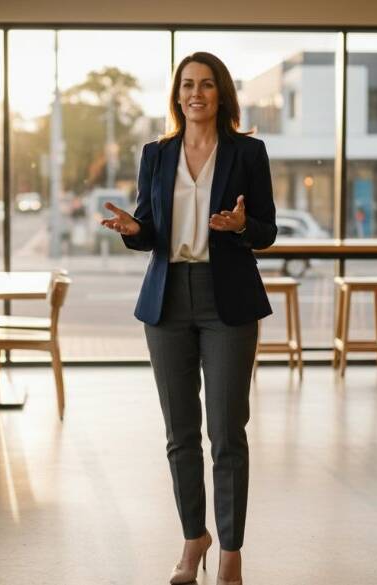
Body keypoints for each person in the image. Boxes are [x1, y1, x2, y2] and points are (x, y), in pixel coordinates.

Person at [99, 52, 277, 585]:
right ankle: (193, 536)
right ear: (177, 95)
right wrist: (135, 230)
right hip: (167, 300)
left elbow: (266, 231)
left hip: (230, 303)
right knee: (180, 433)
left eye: (206, 84)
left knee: (227, 432)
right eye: (187, 85)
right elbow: (150, 230)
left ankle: (231, 552)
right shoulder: (156, 154)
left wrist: (241, 226)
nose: (195, 93)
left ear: (221, 94)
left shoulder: (248, 152)